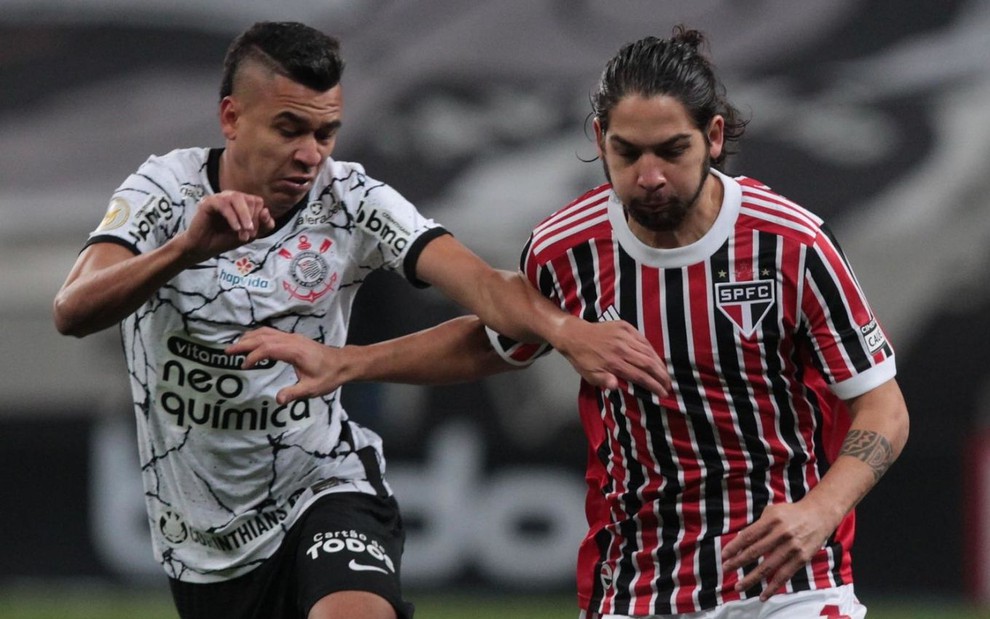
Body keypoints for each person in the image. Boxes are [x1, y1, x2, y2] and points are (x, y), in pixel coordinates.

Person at [228, 26, 910, 619]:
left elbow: (883, 406)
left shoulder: (792, 244)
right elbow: (497, 343)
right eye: (627, 151)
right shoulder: (566, 247)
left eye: (670, 151)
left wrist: (820, 511)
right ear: (598, 139)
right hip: (637, 582)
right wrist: (349, 362)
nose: (648, 176)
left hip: (787, 583)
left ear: (715, 135)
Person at [52, 21, 670, 619]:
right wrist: (185, 248)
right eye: (289, 129)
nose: (309, 156)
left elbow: (482, 284)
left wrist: (566, 332)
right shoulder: (165, 189)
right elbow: (73, 311)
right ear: (232, 118)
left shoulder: (352, 201)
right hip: (200, 544)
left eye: (325, 134)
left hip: (323, 486)